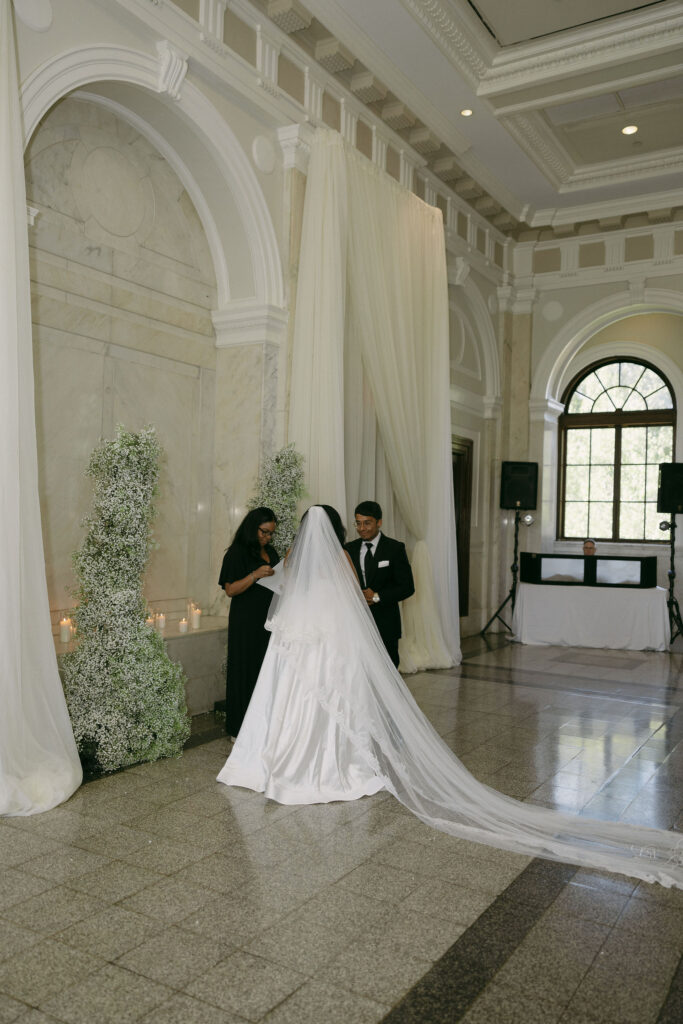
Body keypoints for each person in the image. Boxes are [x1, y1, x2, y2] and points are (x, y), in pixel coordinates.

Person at [217, 505, 683, 888]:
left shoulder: (294, 554)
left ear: (300, 530)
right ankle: (333, 762)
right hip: (329, 638)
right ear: (340, 528)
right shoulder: (340, 554)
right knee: (332, 701)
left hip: (296, 638)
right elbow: (351, 599)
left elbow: (285, 590)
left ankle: (279, 758)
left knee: (295, 698)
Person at [218, 507, 280, 738]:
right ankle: (239, 728)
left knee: (264, 671)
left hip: (268, 619)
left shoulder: (271, 552)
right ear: (252, 527)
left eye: (271, 533)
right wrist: (254, 575)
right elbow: (231, 589)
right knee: (244, 671)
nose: (267, 537)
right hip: (246, 621)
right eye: (264, 532)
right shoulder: (236, 553)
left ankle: (262, 725)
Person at [345, 501, 414, 667]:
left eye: (367, 523)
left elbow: (407, 587)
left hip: (386, 622)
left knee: (388, 669)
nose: (362, 528)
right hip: (357, 623)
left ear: (379, 522)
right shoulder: (349, 549)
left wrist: (377, 597)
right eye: (358, 523)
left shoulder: (394, 548)